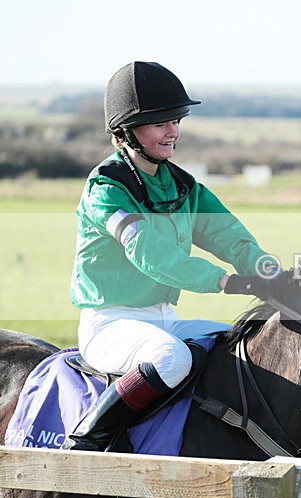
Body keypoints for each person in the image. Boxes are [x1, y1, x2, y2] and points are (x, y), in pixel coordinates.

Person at [63, 61, 278, 451]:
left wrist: (271, 271)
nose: (173, 131)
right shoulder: (104, 189)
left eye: (176, 120)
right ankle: (86, 442)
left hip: (163, 319)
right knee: (172, 359)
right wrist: (225, 282)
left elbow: (231, 237)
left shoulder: (182, 185)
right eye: (160, 122)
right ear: (125, 131)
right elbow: (150, 253)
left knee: (238, 346)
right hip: (109, 324)